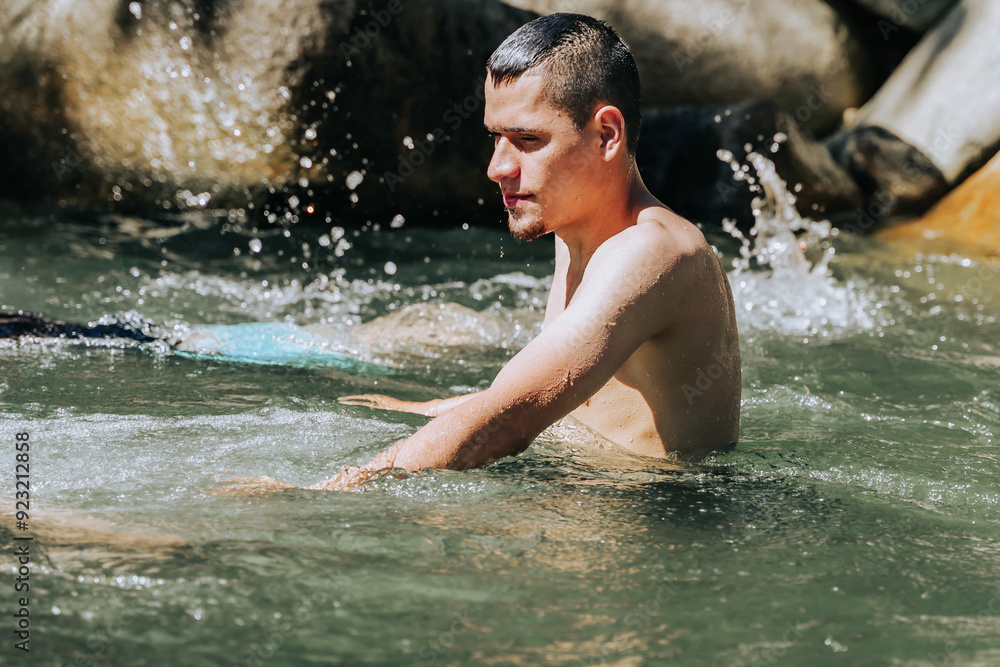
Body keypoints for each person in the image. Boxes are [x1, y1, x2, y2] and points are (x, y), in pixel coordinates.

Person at [314, 12, 743, 489]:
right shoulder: (574, 233)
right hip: (589, 501)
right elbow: (566, 406)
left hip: (648, 529)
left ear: (606, 134)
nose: (497, 167)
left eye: (527, 140)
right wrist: (418, 409)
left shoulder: (653, 251)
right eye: (496, 138)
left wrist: (326, 492)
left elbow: (508, 421)